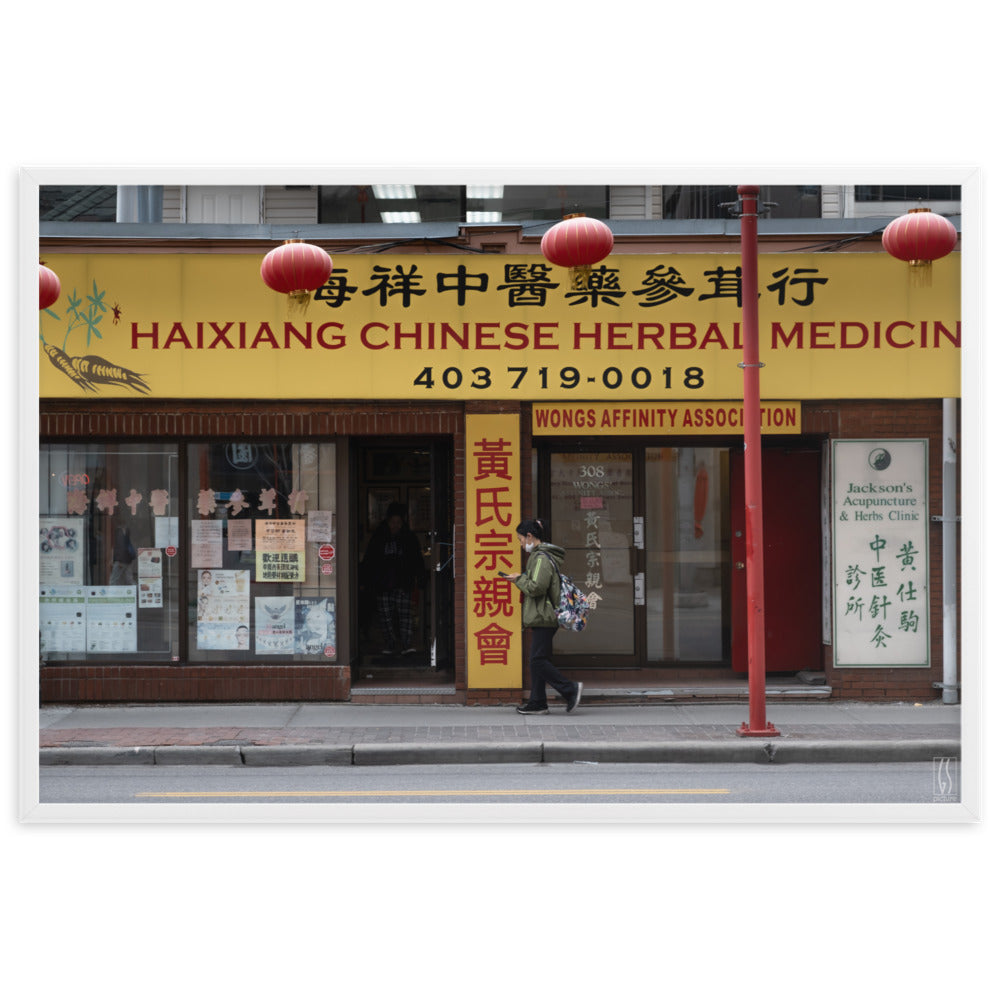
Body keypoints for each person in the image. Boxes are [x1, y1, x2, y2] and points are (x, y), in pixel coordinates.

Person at [499, 517, 583, 715]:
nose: (521, 544)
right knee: (536, 659)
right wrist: (521, 578)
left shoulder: (541, 557)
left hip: (544, 615)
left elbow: (537, 587)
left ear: (530, 536)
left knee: (537, 660)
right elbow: (537, 582)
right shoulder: (540, 556)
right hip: (543, 615)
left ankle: (570, 689)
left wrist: (518, 579)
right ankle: (538, 702)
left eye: (520, 540)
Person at [361, 502, 426, 656]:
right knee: (385, 617)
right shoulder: (379, 537)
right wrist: (365, 581)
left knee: (405, 616)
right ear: (387, 522)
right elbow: (369, 560)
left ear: (402, 523)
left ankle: (406, 644)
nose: (395, 526)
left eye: (398, 522)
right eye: (393, 522)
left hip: (403, 583)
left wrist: (421, 578)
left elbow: (417, 559)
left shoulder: (409, 538)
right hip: (383, 584)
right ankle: (390, 644)